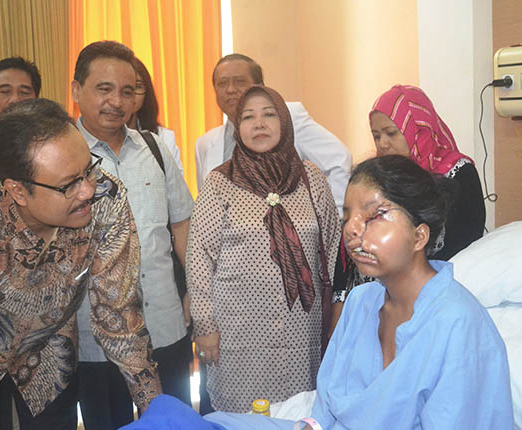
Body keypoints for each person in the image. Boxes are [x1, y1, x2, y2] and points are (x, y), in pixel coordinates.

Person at [0, 98, 162, 429]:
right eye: (69, 184)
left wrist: (158, 412)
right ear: (18, 191)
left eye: (89, 169)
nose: (88, 190)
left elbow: (120, 316)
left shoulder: (106, 200)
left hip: (49, 358)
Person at [304, 155, 512, 428]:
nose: (351, 229)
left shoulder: (458, 323)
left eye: (373, 216)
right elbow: (325, 408)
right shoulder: (360, 302)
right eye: (347, 218)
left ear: (419, 236)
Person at [187, 85, 340, 413]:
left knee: (297, 412)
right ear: (237, 127)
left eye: (269, 114)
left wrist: (334, 316)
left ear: (284, 121)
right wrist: (205, 327)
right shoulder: (219, 183)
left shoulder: (311, 179)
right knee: (242, 416)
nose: (259, 124)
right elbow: (199, 259)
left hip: (301, 328)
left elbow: (331, 248)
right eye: (248, 117)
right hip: (238, 331)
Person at [72, 40, 194, 429]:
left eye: (127, 91)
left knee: (172, 422)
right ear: (76, 90)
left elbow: (182, 224)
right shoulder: (61, 157)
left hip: (164, 325)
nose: (117, 101)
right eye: (104, 89)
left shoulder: (155, 149)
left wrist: (193, 290)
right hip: (95, 339)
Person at [332, 85, 487, 311]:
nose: (383, 144)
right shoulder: (375, 177)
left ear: (419, 129)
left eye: (391, 133)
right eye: (376, 136)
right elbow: (348, 243)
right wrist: (339, 304)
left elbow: (465, 241)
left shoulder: (456, 173)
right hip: (368, 302)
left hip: (429, 299)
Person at [195, 53, 351, 216]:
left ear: (259, 87)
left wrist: (333, 219)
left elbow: (339, 159)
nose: (230, 90)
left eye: (240, 81)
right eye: (222, 83)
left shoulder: (287, 117)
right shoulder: (205, 143)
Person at [126, 56, 183, 172]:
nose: (131, 93)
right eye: (126, 87)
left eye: (138, 86)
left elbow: (175, 182)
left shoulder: (163, 138)